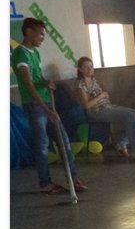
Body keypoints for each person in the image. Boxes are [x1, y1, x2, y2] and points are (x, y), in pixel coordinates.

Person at [11, 17, 87, 194]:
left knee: (64, 140)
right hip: (35, 105)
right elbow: (28, 84)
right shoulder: (20, 54)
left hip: (45, 101)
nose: (42, 38)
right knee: (42, 144)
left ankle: (73, 177)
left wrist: (46, 83)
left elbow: (37, 79)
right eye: (40, 34)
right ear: (29, 32)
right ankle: (45, 183)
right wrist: (46, 110)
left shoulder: (35, 53)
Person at [75, 57, 135, 161]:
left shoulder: (93, 80)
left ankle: (122, 143)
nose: (90, 69)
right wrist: (101, 96)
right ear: (80, 69)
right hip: (97, 111)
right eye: (86, 67)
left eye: (91, 67)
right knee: (129, 115)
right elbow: (86, 105)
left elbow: (102, 96)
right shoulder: (80, 84)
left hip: (108, 106)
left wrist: (104, 96)